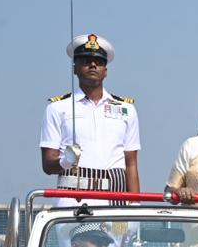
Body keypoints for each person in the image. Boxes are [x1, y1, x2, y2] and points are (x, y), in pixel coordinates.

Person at [41, 34, 141, 199]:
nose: (93, 65)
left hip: (115, 197)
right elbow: (47, 164)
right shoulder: (57, 108)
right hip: (73, 197)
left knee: (121, 226)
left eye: (99, 62)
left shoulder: (126, 109)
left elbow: (130, 163)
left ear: (105, 71)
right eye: (86, 61)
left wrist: (135, 205)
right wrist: (66, 161)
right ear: (75, 68)